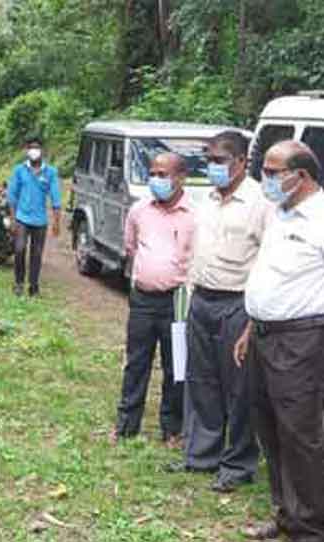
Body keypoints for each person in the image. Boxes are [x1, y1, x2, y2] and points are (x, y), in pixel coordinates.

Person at [166, 131, 271, 493]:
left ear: (241, 162)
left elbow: (269, 259)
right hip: (202, 299)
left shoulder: (259, 202)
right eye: (208, 160)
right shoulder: (206, 199)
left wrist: (255, 316)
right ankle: (201, 455)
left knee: (240, 387)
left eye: (219, 161)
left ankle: (238, 463)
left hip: (237, 303)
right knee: (201, 380)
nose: (212, 167)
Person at [234, 141, 324, 541]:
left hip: (302, 340)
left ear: (300, 175)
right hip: (263, 335)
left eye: (271, 172)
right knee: (268, 426)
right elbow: (271, 276)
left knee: (300, 433)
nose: (263, 179)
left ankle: (310, 527)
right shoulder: (279, 213)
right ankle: (287, 512)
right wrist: (251, 327)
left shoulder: (320, 218)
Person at [111, 153, 193, 447]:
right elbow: (131, 247)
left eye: (163, 174)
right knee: (136, 362)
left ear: (180, 178)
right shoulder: (139, 210)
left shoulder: (195, 214)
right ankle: (126, 425)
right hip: (143, 298)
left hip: (177, 301)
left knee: (176, 366)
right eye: (153, 173)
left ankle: (172, 428)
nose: (156, 179)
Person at [7, 135, 61, 297]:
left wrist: (57, 221)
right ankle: (18, 283)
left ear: (42, 151)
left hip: (40, 221)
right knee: (19, 249)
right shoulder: (19, 170)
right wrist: (13, 218)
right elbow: (12, 195)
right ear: (26, 151)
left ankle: (34, 286)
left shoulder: (50, 172)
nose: (34, 151)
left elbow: (56, 197)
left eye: (37, 148)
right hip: (22, 218)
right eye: (31, 148)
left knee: (36, 254)